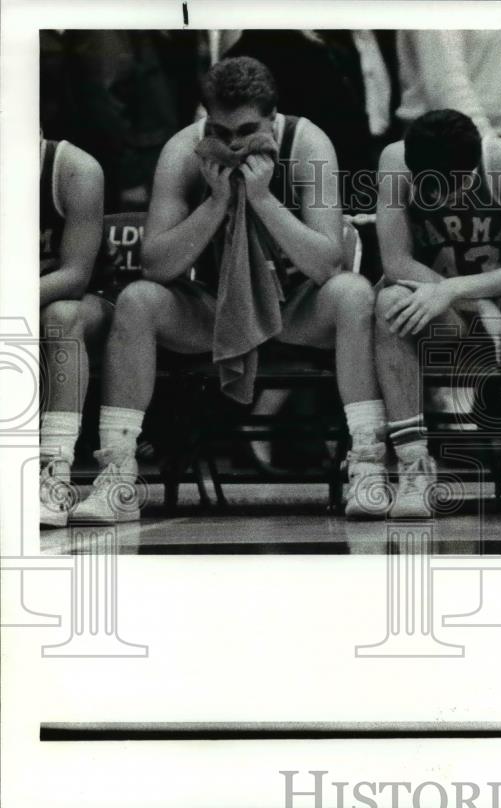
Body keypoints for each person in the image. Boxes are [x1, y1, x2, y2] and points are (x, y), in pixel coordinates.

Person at [72, 56, 388, 522]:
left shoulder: (308, 144)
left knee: (354, 293)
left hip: (296, 303)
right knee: (138, 302)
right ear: (206, 119)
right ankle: (118, 474)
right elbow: (156, 264)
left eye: (247, 130)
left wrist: (262, 199)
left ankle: (366, 464)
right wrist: (216, 203)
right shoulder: (184, 150)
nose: (234, 144)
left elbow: (326, 263)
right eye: (221, 131)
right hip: (214, 305)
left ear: (274, 118)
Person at [373, 109, 501, 519]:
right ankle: (414, 464)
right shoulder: (395, 161)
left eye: (453, 187)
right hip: (445, 313)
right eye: (429, 189)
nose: (441, 200)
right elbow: (396, 262)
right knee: (388, 303)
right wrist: (471, 300)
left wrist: (456, 289)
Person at [38, 136, 107, 527]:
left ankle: (54, 475)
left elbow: (76, 277)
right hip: (17, 305)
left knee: (61, 316)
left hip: (91, 306)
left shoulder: (75, 169)